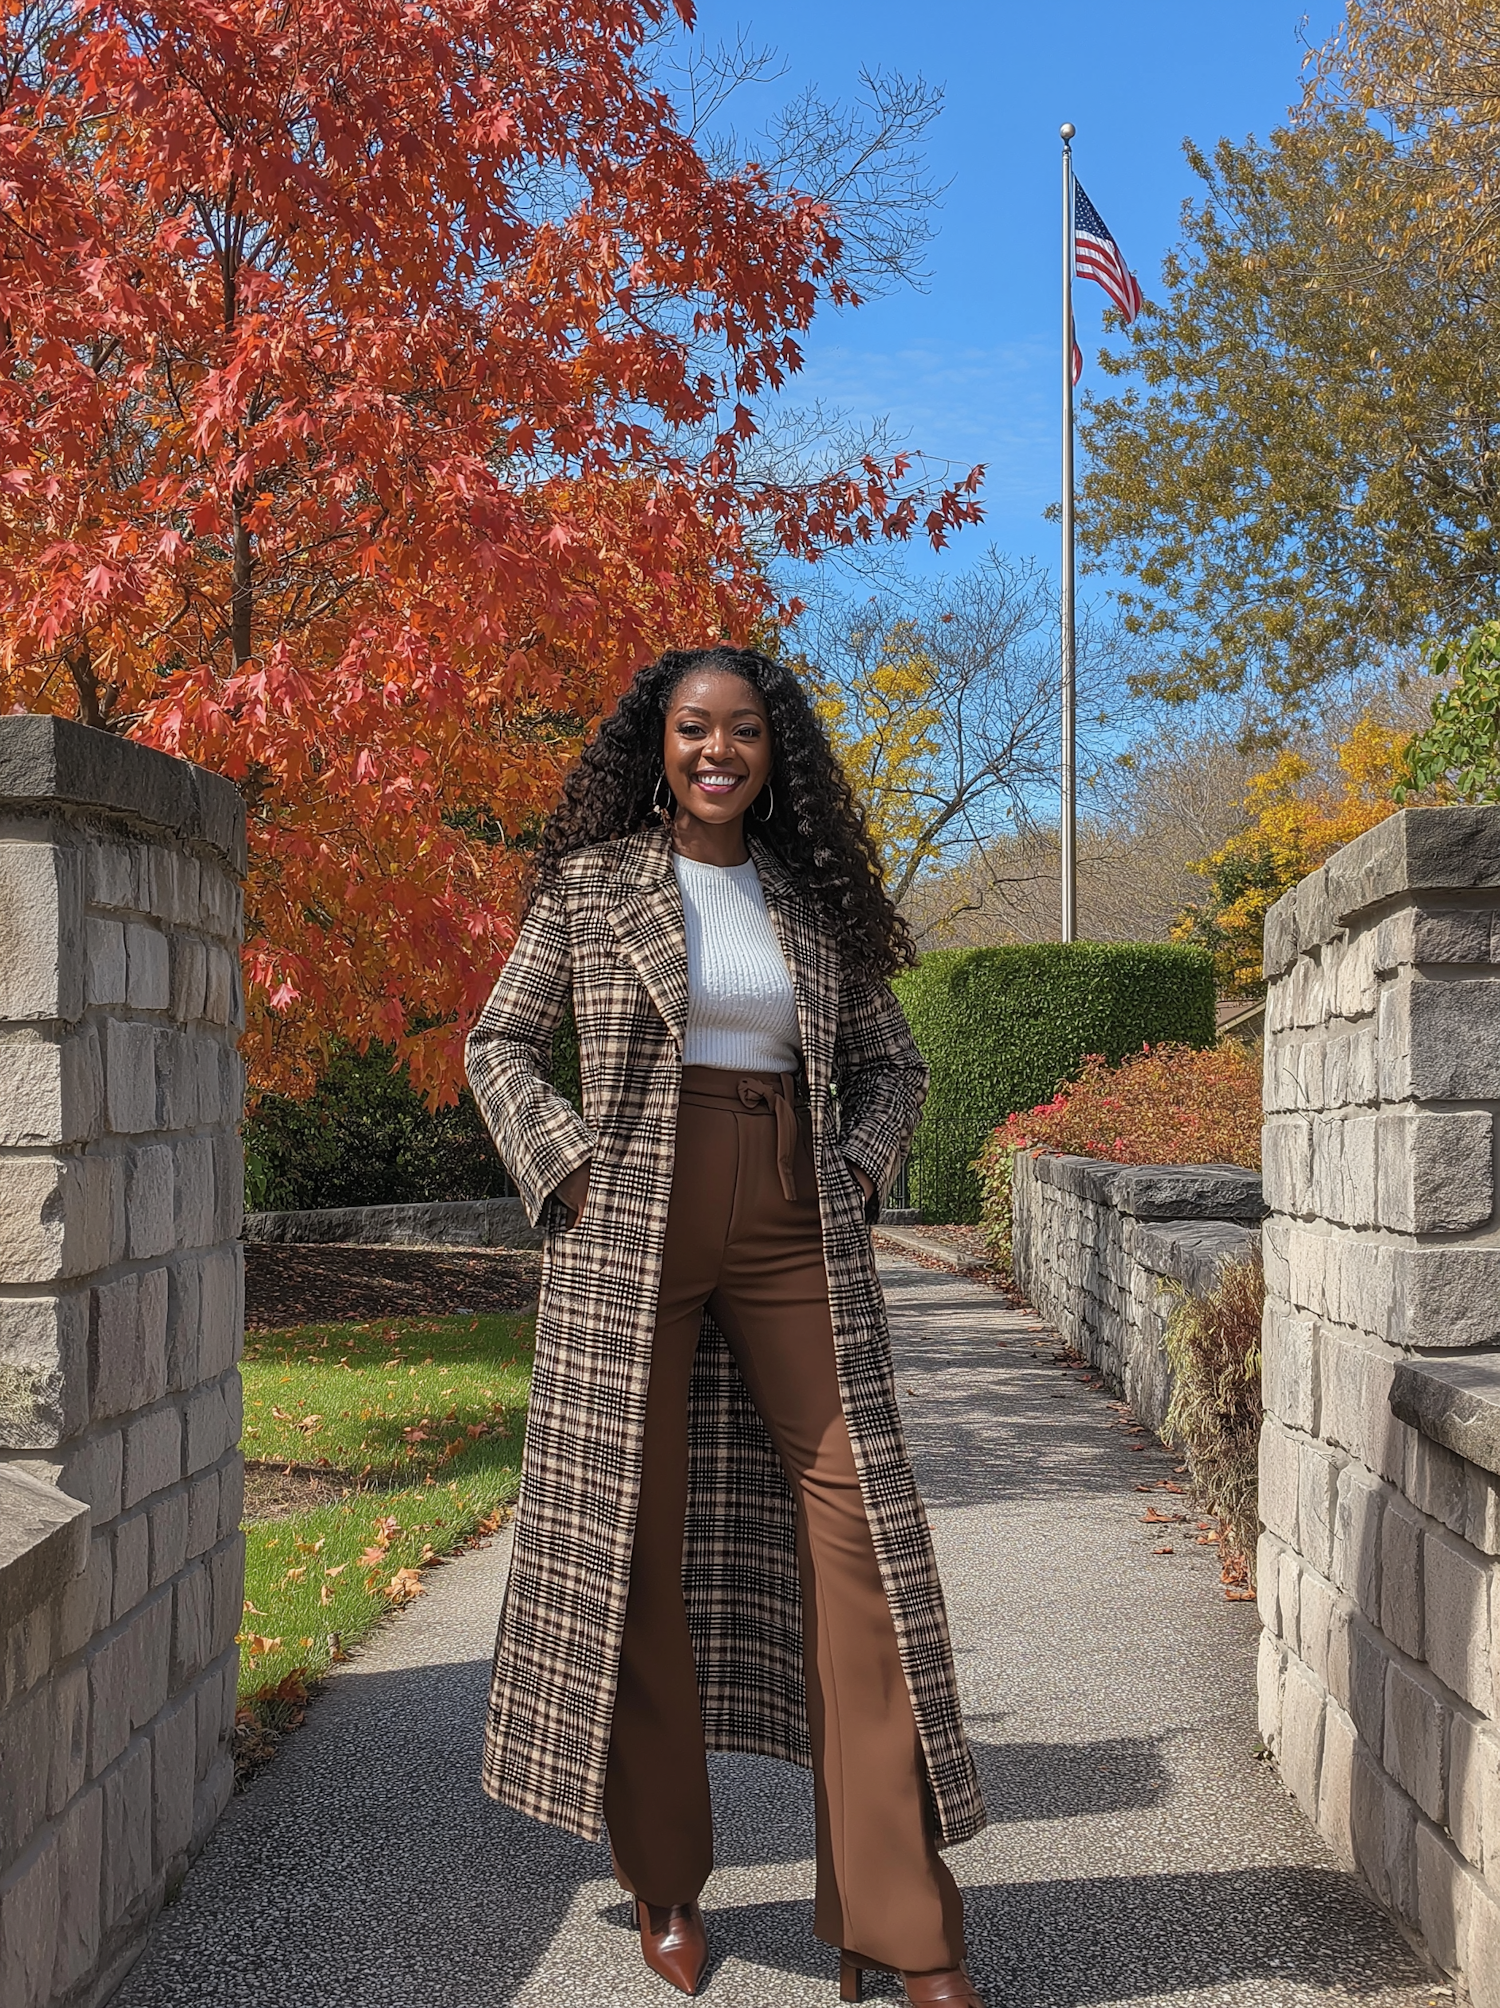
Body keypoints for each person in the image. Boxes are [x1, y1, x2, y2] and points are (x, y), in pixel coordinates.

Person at [466, 645, 986, 2005]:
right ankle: (666, 1879)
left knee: (859, 1536)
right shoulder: (590, 886)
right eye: (694, 729)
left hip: (789, 1217)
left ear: (773, 750)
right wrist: (567, 1169)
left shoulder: (809, 900)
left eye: (742, 730)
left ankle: (899, 1921)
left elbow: (895, 1064)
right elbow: (498, 1044)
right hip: (628, 1215)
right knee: (632, 1533)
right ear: (660, 745)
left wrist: (861, 1168)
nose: (717, 751)